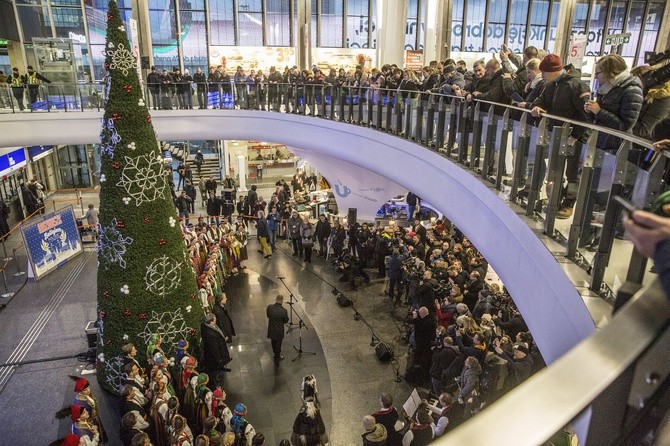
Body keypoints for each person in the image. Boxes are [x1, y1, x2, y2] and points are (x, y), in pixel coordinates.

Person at [531, 54, 591, 219]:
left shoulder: (576, 85)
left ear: (554, 71)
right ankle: (555, 199)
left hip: (576, 137)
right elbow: (540, 100)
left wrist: (576, 136)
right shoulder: (550, 85)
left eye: (544, 72)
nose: (541, 75)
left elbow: (586, 115)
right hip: (558, 136)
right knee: (555, 169)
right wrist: (537, 106)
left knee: (572, 173)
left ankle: (569, 202)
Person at [201, 313, 232, 380]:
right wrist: (219, 359)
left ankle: (222, 367)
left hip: (220, 347)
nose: (216, 320)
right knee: (216, 366)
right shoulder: (210, 334)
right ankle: (216, 378)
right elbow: (214, 348)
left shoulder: (208, 326)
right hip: (216, 354)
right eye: (215, 319)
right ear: (211, 321)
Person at [266, 294, 289, 363]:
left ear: (276, 299)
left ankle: (274, 352)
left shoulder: (269, 307)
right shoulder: (284, 311)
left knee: (273, 341)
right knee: (278, 343)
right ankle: (277, 356)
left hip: (272, 329)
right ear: (282, 301)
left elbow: (268, 315)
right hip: (279, 330)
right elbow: (285, 321)